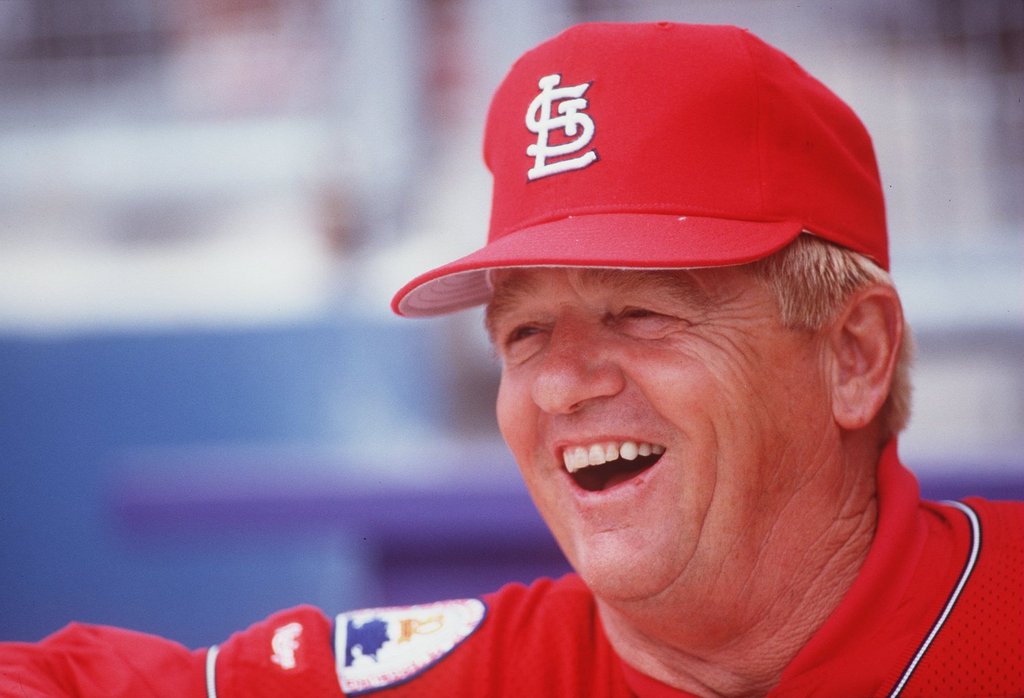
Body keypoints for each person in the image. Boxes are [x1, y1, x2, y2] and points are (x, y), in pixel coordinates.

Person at [2, 21, 1021, 698]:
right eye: (524, 333)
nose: (562, 383)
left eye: (640, 312)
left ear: (854, 355)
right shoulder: (483, 672)